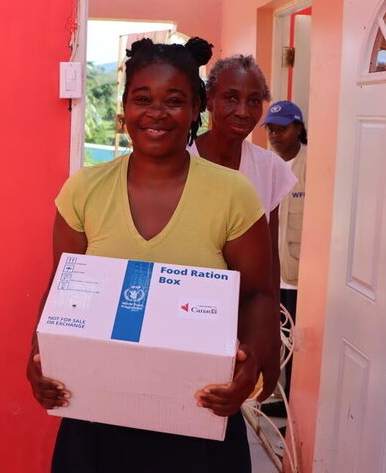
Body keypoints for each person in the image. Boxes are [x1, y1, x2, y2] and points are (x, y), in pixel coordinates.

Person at [27, 38, 280, 472]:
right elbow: (62, 288)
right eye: (142, 99)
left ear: (197, 108)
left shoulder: (232, 194)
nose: (157, 113)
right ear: (124, 108)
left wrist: (252, 365)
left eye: (174, 100)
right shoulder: (85, 190)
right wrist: (38, 358)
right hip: (97, 419)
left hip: (199, 413)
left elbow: (258, 293)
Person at [187, 54, 296, 397]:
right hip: (187, 309)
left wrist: (270, 332)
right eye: (231, 98)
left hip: (243, 315)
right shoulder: (181, 159)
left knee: (225, 406)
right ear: (209, 100)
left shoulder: (269, 168)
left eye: (253, 101)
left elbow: (271, 259)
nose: (243, 111)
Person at [263, 100, 307, 401]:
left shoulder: (314, 165)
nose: (275, 136)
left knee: (297, 342)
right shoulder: (266, 165)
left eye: (282, 130)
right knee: (274, 337)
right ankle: (276, 396)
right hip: (268, 269)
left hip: (297, 273)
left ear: (298, 128)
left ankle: (292, 400)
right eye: (271, 130)